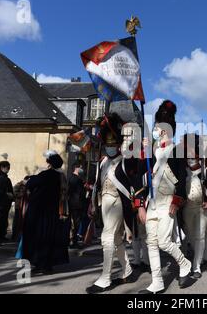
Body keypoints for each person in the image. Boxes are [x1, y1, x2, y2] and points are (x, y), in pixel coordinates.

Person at [138, 100, 194, 294]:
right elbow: (144, 176)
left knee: (163, 242)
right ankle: (157, 282)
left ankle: (184, 263)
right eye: (155, 127)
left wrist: (178, 200)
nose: (156, 130)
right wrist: (140, 204)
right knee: (151, 242)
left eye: (158, 127)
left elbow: (181, 177)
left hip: (167, 201)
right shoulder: (152, 151)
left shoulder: (176, 150)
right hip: (153, 201)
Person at [86, 113, 136, 294]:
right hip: (103, 203)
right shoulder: (102, 163)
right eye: (107, 144)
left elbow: (134, 182)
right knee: (116, 239)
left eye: (113, 144)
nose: (110, 147)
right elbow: (97, 185)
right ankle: (127, 270)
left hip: (118, 202)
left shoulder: (126, 162)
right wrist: (92, 203)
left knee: (106, 238)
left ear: (119, 144)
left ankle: (105, 278)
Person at [22, 151, 69, 274]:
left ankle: (39, 264)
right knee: (50, 238)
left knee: (39, 238)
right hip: (53, 212)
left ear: (49, 163)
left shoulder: (45, 174)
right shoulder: (61, 177)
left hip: (40, 212)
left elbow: (30, 184)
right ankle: (48, 265)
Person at [182, 134, 207, 279]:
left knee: (200, 236)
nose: (191, 157)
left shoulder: (205, 171)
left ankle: (197, 267)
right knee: (190, 236)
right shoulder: (181, 170)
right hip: (187, 208)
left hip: (201, 208)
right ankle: (196, 258)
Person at [67, 163, 86, 249]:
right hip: (77, 205)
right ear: (76, 168)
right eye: (80, 167)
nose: (82, 168)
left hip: (73, 203)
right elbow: (80, 193)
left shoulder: (71, 178)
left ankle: (72, 240)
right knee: (76, 224)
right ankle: (73, 241)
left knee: (73, 224)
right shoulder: (77, 179)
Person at [12, 176, 30, 242]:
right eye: (27, 181)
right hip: (18, 205)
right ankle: (14, 236)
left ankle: (20, 236)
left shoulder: (28, 186)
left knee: (22, 222)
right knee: (17, 221)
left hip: (25, 206)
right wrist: (23, 194)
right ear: (24, 180)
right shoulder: (19, 185)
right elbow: (14, 193)